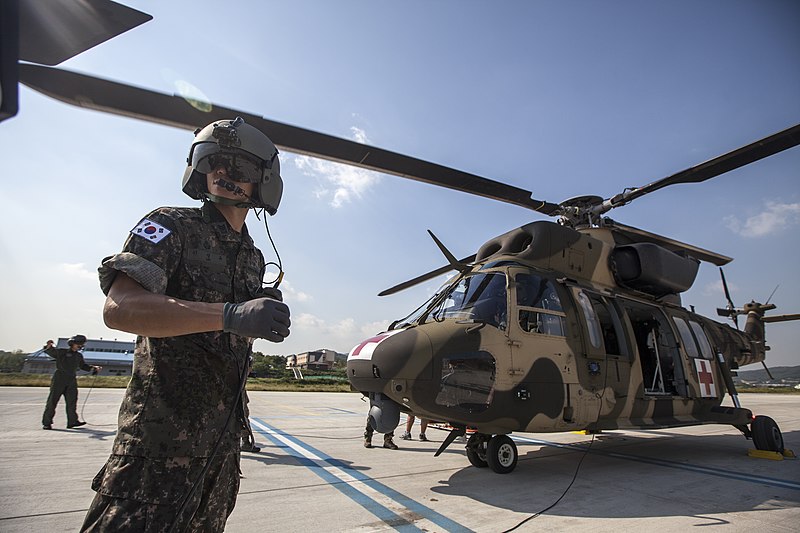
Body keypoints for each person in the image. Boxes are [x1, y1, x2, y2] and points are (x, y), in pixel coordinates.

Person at [80, 117, 291, 532]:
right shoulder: (171, 225)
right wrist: (229, 314)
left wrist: (254, 315)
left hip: (219, 454)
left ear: (264, 181)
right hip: (157, 453)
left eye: (240, 168)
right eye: (213, 162)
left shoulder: (251, 256)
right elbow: (119, 309)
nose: (224, 174)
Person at [40, 335, 101, 430]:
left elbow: (83, 366)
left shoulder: (78, 356)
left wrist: (93, 368)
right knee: (52, 401)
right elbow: (51, 352)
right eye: (78, 344)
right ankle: (47, 423)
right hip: (59, 378)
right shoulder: (62, 352)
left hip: (71, 379)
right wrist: (48, 346)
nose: (80, 346)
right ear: (72, 344)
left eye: (81, 345)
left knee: (72, 401)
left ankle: (72, 422)